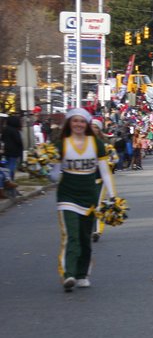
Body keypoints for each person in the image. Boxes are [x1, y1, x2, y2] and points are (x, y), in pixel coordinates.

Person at [50, 109, 116, 291]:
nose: (78, 124)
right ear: (69, 123)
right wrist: (47, 167)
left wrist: (112, 196)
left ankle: (82, 274)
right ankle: (68, 274)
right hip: (67, 196)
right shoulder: (60, 144)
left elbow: (104, 171)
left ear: (86, 124)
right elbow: (54, 176)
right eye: (74, 121)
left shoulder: (96, 144)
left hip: (89, 196)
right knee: (71, 236)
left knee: (84, 237)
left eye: (81, 121)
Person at [2, 114, 23, 193]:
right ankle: (9, 182)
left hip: (6, 152)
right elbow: (18, 141)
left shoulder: (5, 129)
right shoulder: (14, 130)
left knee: (6, 167)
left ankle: (7, 182)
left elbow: (2, 139)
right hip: (13, 152)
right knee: (11, 167)